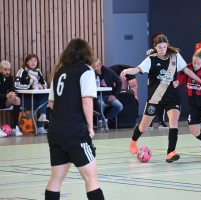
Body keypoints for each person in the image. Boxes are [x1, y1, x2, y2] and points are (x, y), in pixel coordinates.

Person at [121, 34, 201, 163]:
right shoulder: (151, 59)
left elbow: (187, 71)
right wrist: (126, 71)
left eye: (164, 47)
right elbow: (137, 69)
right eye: (160, 47)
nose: (163, 50)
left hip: (172, 97)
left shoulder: (175, 56)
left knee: (173, 122)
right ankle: (133, 141)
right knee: (143, 127)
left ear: (167, 45)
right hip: (155, 98)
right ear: (155, 47)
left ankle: (171, 152)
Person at [45, 38, 105, 200]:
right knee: (91, 178)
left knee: (56, 178)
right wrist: (91, 127)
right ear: (87, 53)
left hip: (56, 131)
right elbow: (87, 100)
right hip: (75, 132)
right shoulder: (86, 70)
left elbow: (51, 103)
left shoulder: (59, 73)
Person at [15, 54, 49, 134]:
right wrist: (31, 86)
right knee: (41, 104)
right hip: (25, 98)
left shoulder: (38, 71)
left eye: (35, 61)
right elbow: (16, 85)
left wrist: (42, 86)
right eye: (31, 61)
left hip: (37, 97)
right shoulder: (22, 71)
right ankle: (41, 124)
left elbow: (45, 84)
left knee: (45, 96)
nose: (33, 63)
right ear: (27, 62)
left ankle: (42, 119)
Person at [93, 59, 123, 129]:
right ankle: (100, 122)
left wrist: (114, 94)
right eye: (94, 66)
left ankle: (105, 119)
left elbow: (119, 82)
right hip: (97, 96)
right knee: (101, 105)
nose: (96, 68)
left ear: (101, 65)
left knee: (119, 106)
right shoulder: (91, 73)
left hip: (108, 95)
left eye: (97, 66)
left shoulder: (108, 71)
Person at [147, 32, 168, 129]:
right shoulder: (150, 53)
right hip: (153, 82)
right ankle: (149, 122)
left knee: (162, 102)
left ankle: (161, 121)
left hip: (163, 82)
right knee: (152, 102)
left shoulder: (168, 54)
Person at [0, 60, 22, 137]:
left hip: (3, 101)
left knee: (17, 100)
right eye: (5, 70)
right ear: (0, 69)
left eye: (9, 70)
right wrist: (6, 96)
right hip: (2, 98)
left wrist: (12, 95)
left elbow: (12, 89)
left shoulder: (9, 78)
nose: (7, 72)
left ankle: (15, 127)